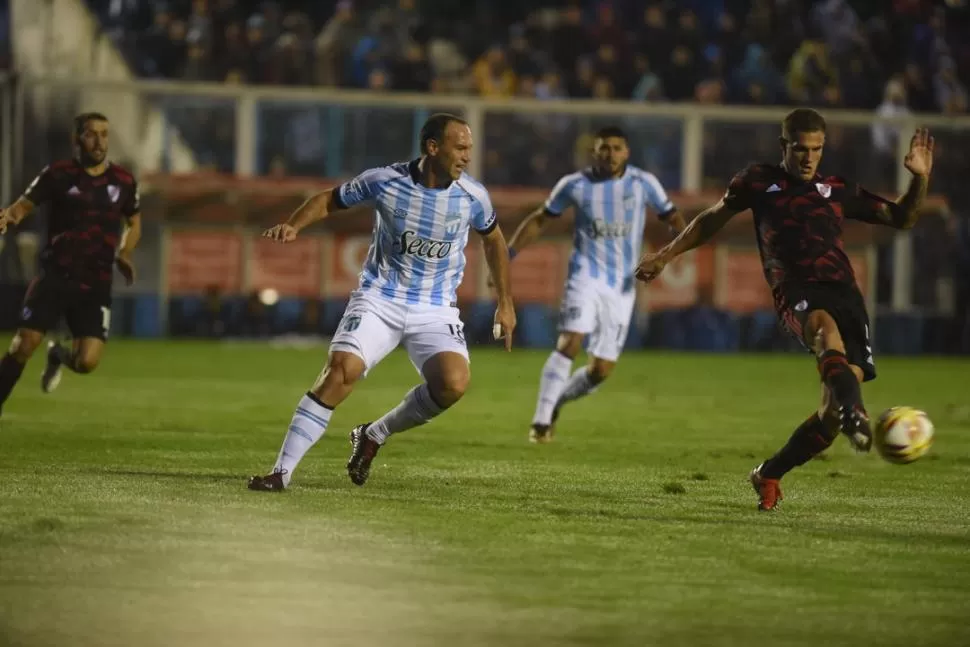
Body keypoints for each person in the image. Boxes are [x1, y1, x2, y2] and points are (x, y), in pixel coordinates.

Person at [635, 108, 934, 511]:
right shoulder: (758, 181)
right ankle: (856, 413)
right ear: (784, 146)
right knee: (824, 334)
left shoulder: (836, 187)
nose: (809, 157)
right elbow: (711, 220)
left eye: (817, 149)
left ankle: (769, 473)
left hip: (847, 294)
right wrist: (667, 255)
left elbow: (902, 217)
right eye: (800, 148)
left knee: (827, 417)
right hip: (795, 289)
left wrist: (920, 178)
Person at [248, 113, 516, 490]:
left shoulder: (472, 196)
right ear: (432, 147)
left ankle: (374, 434)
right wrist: (295, 225)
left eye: (469, 148)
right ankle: (281, 473)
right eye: (460, 147)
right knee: (341, 372)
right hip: (380, 299)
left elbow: (494, 239)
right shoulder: (385, 181)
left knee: (454, 384)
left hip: (435, 308)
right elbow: (329, 200)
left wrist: (505, 301)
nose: (467, 156)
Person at [504, 126, 684, 443]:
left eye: (617, 148)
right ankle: (540, 422)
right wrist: (509, 254)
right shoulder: (574, 185)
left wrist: (670, 254)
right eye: (604, 148)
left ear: (627, 152)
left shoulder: (644, 183)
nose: (610, 153)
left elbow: (673, 218)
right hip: (584, 275)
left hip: (623, 287)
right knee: (570, 342)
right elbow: (540, 219)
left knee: (600, 370)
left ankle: (556, 402)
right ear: (594, 152)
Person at [0, 112, 141, 418]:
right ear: (76, 139)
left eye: (104, 134)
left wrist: (125, 253)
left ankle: (58, 354)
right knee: (23, 345)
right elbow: (24, 204)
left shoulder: (124, 181)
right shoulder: (58, 174)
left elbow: (134, 222)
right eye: (92, 134)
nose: (100, 141)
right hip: (56, 275)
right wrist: (8, 216)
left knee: (87, 362)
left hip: (96, 281)